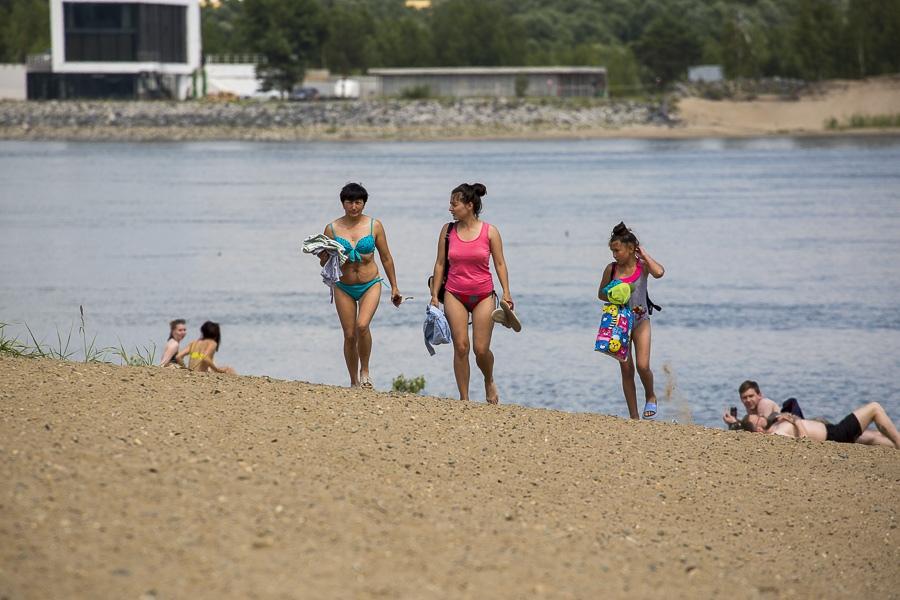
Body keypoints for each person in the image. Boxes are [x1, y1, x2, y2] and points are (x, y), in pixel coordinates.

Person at [430, 183, 512, 404]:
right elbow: (439, 264)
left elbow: (500, 263)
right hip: (454, 293)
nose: (450, 208)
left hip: (483, 295)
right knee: (461, 346)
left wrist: (506, 292)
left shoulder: (490, 232)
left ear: (469, 205)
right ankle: (464, 400)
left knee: (481, 349)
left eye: (454, 204)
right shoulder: (447, 231)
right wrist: (435, 296)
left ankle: (488, 379)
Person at [321, 183, 401, 389]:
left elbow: (386, 257)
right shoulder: (332, 228)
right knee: (349, 334)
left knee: (362, 325)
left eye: (358, 202)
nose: (354, 207)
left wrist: (394, 287)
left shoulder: (375, 225)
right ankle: (353, 381)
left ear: (364, 203)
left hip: (370, 283)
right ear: (343, 203)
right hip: (343, 285)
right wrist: (324, 254)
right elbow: (323, 261)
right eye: (349, 202)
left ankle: (365, 371)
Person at [597, 222, 665, 419]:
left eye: (617, 250)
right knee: (627, 369)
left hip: (641, 321)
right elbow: (600, 294)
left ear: (630, 248)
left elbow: (659, 273)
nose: (614, 254)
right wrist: (614, 293)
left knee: (643, 366)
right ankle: (634, 416)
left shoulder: (642, 266)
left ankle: (651, 396)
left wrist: (644, 254)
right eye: (612, 250)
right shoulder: (611, 269)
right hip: (619, 324)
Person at [741, 402, 900, 449]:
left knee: (875, 439)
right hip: (835, 435)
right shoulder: (777, 436)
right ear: (758, 430)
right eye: (758, 419)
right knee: (874, 408)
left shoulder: (775, 426)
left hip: (831, 430)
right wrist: (796, 421)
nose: (761, 417)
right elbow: (805, 442)